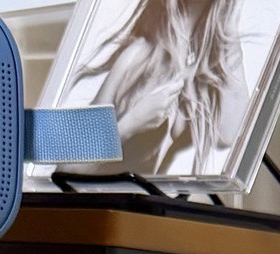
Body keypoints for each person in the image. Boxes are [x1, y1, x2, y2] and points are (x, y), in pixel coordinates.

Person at [79, 0, 249, 177]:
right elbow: (71, 165)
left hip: (155, 193)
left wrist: (230, 36)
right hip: (108, 192)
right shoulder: (136, 57)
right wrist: (132, 122)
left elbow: (229, 135)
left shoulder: (210, 67)